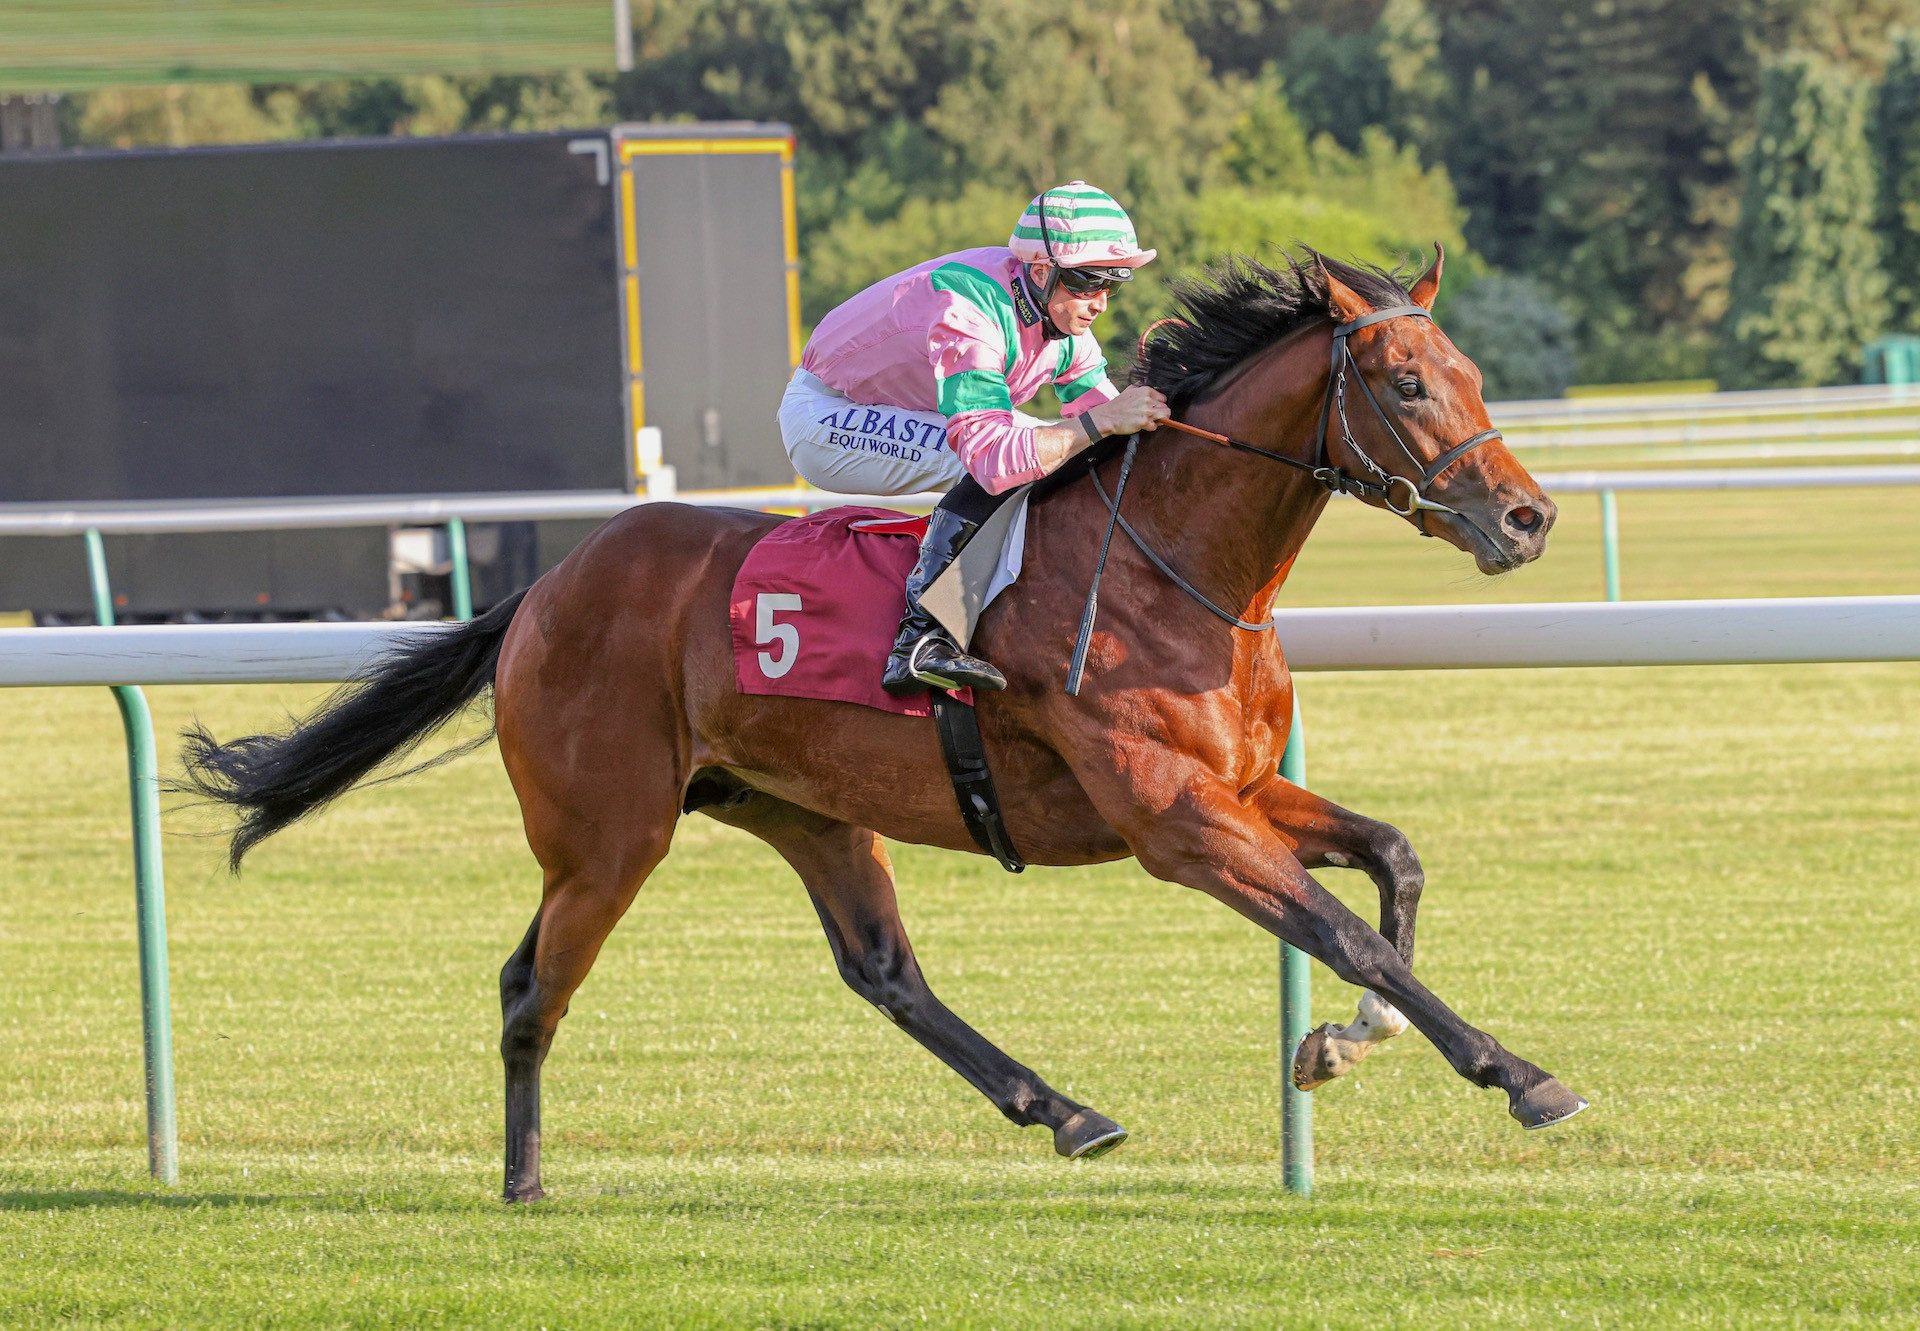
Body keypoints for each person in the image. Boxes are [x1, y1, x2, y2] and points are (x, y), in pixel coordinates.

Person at [778, 182, 1171, 695]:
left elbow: (1105, 425)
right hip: (827, 417)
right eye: (1086, 283)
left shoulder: (1059, 318)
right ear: (1040, 271)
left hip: (903, 408)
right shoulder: (969, 309)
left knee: (1056, 446)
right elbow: (992, 458)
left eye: (1111, 287)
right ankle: (922, 637)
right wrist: (1100, 424)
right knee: (1009, 457)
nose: (1099, 304)